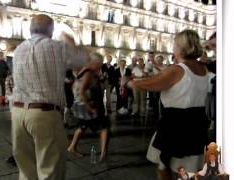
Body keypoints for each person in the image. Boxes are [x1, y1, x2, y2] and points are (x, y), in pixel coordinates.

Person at [12, 14, 88, 180]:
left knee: (26, 170)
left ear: (30, 29)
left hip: (18, 113)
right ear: (51, 30)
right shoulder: (57, 47)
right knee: (50, 168)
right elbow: (83, 59)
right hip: (43, 114)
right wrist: (71, 40)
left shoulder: (19, 49)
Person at [128, 30, 209, 179]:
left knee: (164, 167)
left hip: (176, 125)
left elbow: (151, 83)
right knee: (191, 170)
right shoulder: (203, 68)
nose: (173, 47)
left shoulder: (177, 69)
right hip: (197, 123)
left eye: (175, 44)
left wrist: (131, 82)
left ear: (181, 47)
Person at [67, 52, 110, 161]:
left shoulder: (83, 70)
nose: (101, 65)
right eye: (99, 63)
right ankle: (103, 153)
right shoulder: (88, 73)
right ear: (94, 62)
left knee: (82, 126)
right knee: (104, 126)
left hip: (80, 105)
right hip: (88, 105)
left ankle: (72, 147)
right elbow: (82, 91)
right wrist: (90, 107)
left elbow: (75, 86)